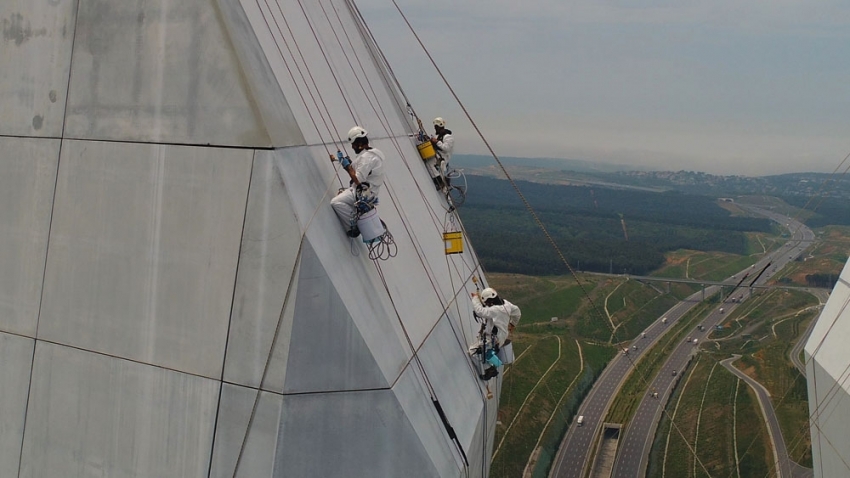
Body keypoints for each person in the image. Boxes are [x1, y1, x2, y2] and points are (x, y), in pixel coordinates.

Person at [331, 126, 386, 237]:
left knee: (336, 202)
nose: (352, 147)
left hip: (364, 193)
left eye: (353, 144)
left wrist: (347, 166)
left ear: (360, 143)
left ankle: (354, 225)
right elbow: (360, 168)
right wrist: (341, 160)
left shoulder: (367, 158)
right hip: (370, 191)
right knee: (343, 194)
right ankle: (355, 212)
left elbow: (358, 180)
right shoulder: (373, 153)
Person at [469, 287, 521, 379]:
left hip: (494, 339)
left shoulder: (496, 310)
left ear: (491, 301)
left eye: (487, 303)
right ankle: (491, 366)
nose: (487, 305)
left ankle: (490, 369)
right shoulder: (506, 304)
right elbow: (517, 312)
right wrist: (513, 323)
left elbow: (481, 312)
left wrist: (475, 299)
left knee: (474, 351)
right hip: (500, 336)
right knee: (485, 352)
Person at [428, 117, 454, 189]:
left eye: (436, 127)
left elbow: (446, 148)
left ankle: (439, 182)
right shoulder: (439, 136)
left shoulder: (448, 137)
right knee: (430, 163)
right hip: (437, 156)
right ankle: (441, 182)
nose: (435, 129)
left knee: (429, 164)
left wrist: (436, 142)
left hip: (443, 158)